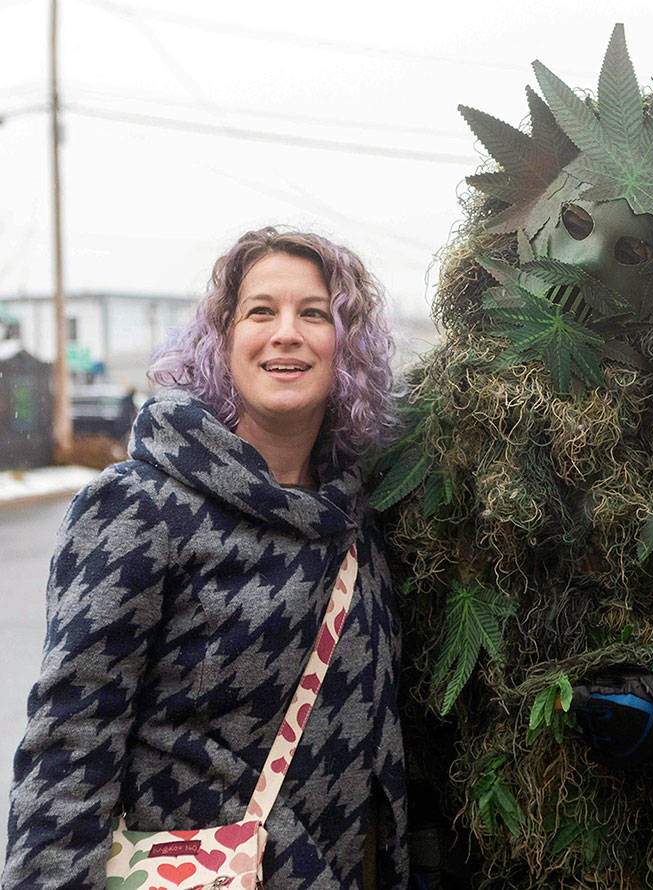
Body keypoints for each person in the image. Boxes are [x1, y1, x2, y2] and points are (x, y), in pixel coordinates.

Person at [3, 227, 408, 889]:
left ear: (348, 348)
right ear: (221, 341)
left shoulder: (354, 521)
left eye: (313, 313)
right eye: (260, 311)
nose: (286, 332)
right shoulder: (141, 508)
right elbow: (68, 755)